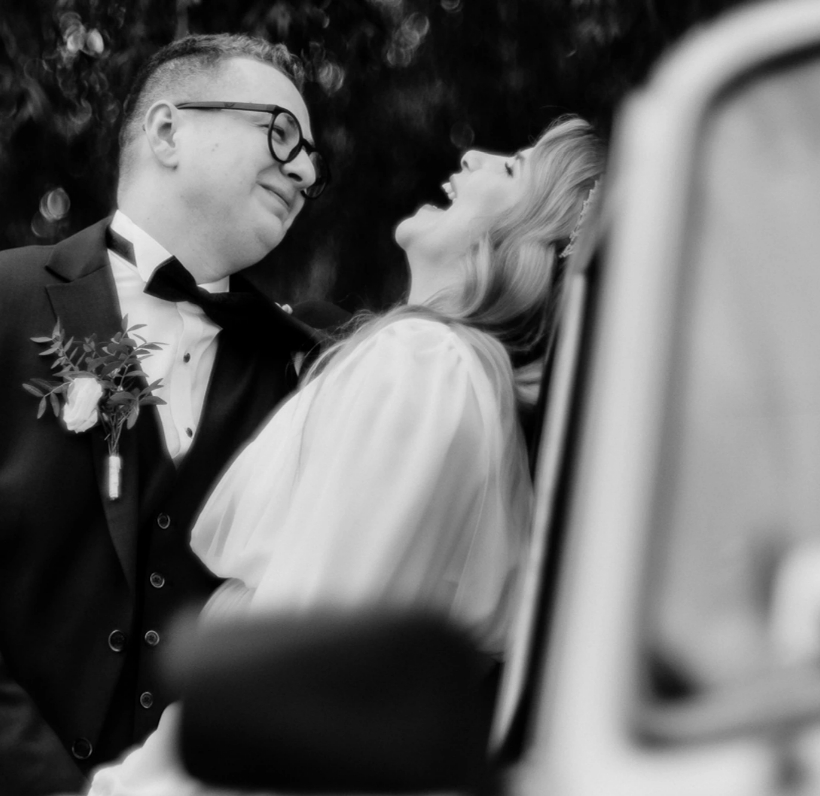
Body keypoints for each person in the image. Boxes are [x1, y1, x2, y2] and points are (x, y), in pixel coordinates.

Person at [0, 33, 330, 796]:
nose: (305, 171)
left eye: (313, 158)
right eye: (283, 133)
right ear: (168, 131)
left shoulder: (300, 374)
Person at [86, 115, 606, 796]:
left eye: (512, 168)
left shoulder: (423, 366)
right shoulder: (456, 379)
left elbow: (304, 661)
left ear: (531, 242)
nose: (474, 155)